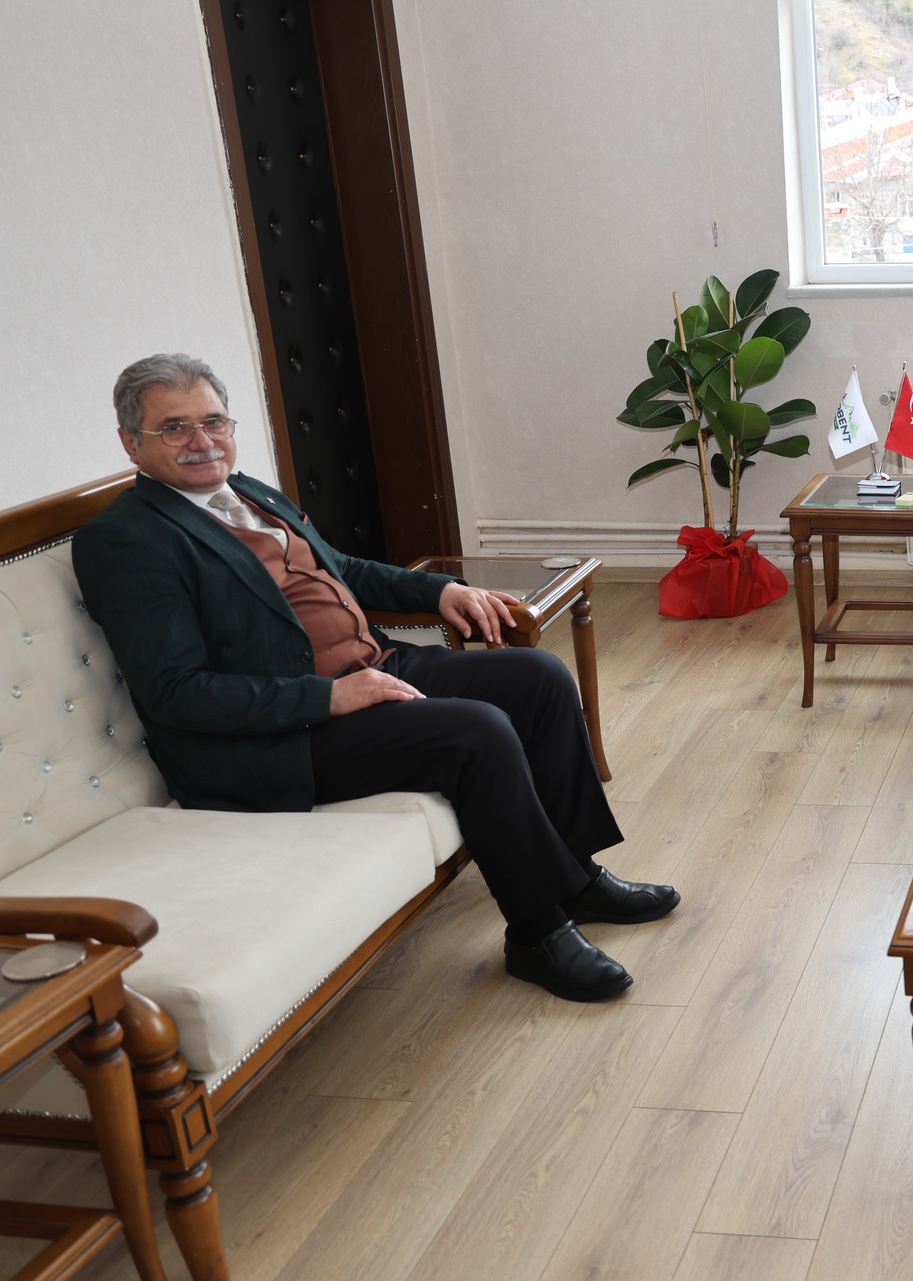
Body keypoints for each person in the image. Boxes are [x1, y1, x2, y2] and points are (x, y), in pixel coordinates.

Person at [72, 353, 677, 1001]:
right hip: (283, 736)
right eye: (175, 427)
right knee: (476, 731)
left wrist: (438, 591)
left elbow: (341, 570)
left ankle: (575, 878)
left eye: (214, 421)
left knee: (539, 676)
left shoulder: (249, 492)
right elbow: (176, 692)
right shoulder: (126, 539)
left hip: (373, 667)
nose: (203, 441)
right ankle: (537, 933)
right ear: (131, 442)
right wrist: (330, 697)